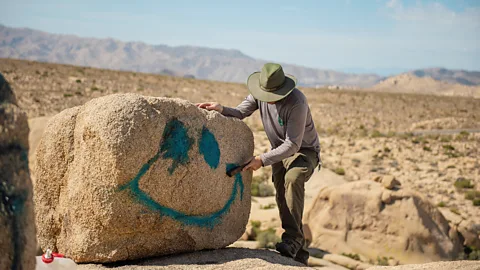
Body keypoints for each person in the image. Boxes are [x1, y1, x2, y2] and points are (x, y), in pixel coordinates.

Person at [197, 63, 321, 265]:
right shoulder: (259, 94)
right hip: (279, 151)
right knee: (282, 195)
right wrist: (221, 108)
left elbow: (292, 144)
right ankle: (299, 254)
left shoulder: (297, 102)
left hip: (303, 151)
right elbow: (240, 112)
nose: (269, 100)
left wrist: (261, 160)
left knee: (293, 178)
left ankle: (292, 240)